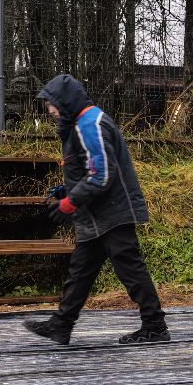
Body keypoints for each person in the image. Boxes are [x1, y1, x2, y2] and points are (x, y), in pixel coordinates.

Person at [24, 74, 170, 346]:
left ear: (65, 101)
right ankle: (61, 325)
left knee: (130, 270)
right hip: (97, 216)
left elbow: (102, 175)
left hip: (112, 214)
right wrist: (67, 190)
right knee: (80, 271)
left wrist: (69, 203)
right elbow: (90, 169)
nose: (50, 110)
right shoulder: (82, 124)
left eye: (51, 104)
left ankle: (155, 326)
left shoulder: (90, 124)